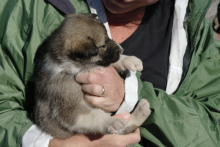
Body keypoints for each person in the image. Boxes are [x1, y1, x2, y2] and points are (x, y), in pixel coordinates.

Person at [0, 0, 220, 147]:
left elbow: (213, 124)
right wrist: (46, 143)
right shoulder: (27, 9)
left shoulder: (192, 23)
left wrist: (130, 96)